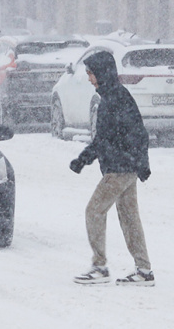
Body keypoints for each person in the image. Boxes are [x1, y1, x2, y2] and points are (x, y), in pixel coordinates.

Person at [69, 51, 153, 286]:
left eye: (91, 73)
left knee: (94, 211)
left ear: (102, 73)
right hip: (126, 166)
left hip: (120, 168)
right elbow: (105, 139)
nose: (89, 79)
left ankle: (99, 266)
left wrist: (141, 163)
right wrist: (83, 159)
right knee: (129, 217)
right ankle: (144, 270)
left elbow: (138, 134)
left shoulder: (116, 99)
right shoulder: (112, 97)